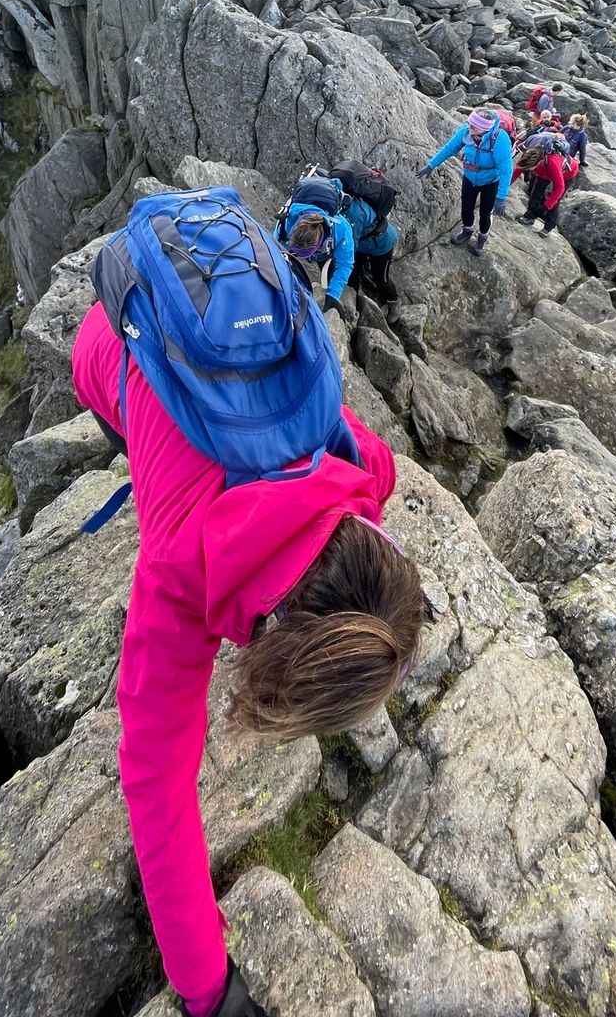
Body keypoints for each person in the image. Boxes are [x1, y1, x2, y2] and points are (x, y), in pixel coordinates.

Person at [72, 306, 423, 1017]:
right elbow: (155, 785)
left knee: (165, 449)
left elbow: (380, 467)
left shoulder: (355, 470)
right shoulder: (178, 574)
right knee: (148, 458)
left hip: (198, 315)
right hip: (104, 349)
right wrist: (211, 993)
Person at [280, 191, 399, 312]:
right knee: (351, 279)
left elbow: (345, 264)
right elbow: (277, 249)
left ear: (320, 243)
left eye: (309, 255)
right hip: (355, 240)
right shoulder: (288, 221)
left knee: (381, 280)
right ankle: (355, 307)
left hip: (380, 243)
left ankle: (393, 303)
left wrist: (333, 295)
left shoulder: (341, 227)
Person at [416, 108, 513, 254]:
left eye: (474, 126)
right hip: (469, 178)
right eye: (469, 123)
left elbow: (506, 169)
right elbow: (449, 148)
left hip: (491, 182)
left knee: (485, 213)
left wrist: (501, 197)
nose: (469, 127)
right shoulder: (466, 131)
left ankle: (482, 238)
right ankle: (467, 231)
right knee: (466, 208)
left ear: (485, 129)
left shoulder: (500, 139)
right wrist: (431, 165)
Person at [519, 132, 578, 235]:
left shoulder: (552, 163)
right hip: (544, 171)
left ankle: (549, 226)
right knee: (535, 193)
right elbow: (518, 169)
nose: (528, 170)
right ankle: (529, 216)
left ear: (537, 163)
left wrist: (546, 206)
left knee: (555, 200)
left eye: (530, 168)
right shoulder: (532, 155)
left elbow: (559, 188)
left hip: (568, 173)